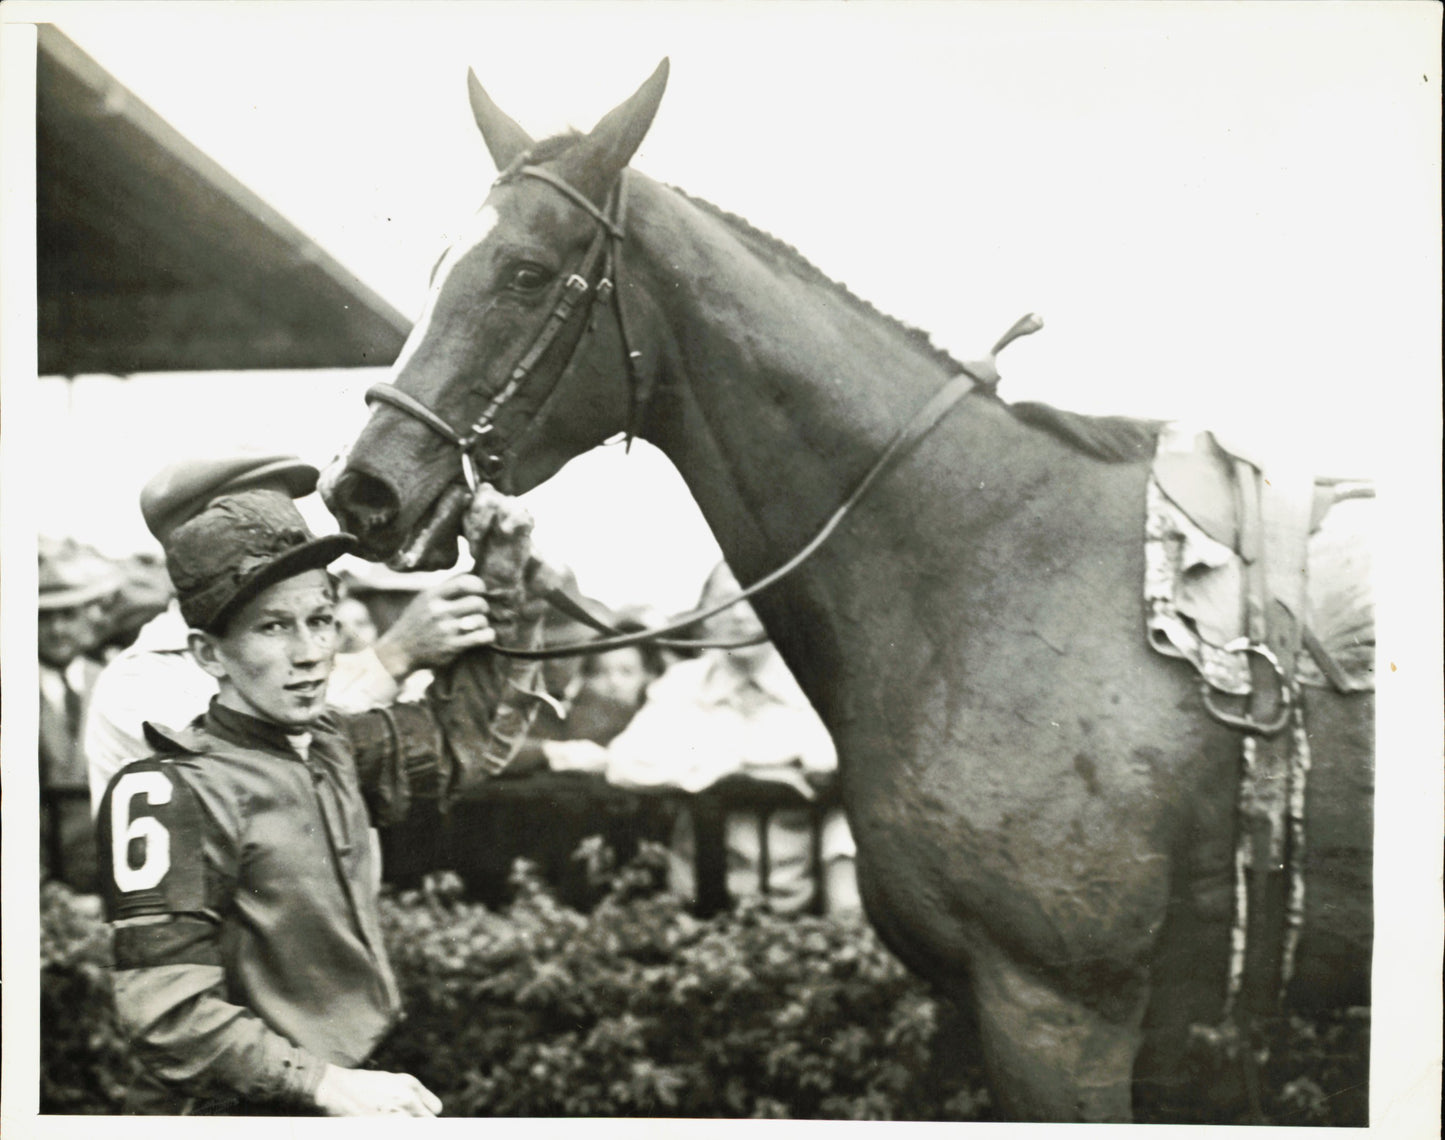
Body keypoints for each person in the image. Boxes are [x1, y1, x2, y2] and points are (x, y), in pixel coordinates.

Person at [95, 482, 549, 1116]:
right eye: (274, 627)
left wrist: (503, 582)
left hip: (359, 1089)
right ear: (208, 653)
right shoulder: (171, 790)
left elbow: (455, 742)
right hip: (250, 1111)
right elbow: (169, 1013)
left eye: (320, 621)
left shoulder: (329, 741)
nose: (310, 655)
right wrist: (324, 1084)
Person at [84, 453, 495, 815]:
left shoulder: (297, 647)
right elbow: (274, 755)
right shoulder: (140, 679)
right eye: (253, 519)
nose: (284, 536)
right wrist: (395, 654)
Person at [603, 563, 860, 916]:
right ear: (707, 615)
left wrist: (808, 763)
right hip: (697, 908)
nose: (739, 614)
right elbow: (623, 762)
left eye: (755, 599)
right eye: (726, 600)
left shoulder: (813, 686)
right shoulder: (684, 684)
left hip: (803, 908)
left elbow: (838, 759)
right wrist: (728, 770)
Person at [39, 541, 122, 890]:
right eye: (44, 617)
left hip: (105, 873)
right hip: (42, 878)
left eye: (68, 615)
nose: (58, 630)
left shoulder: (111, 681)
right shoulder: (11, 688)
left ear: (87, 616)